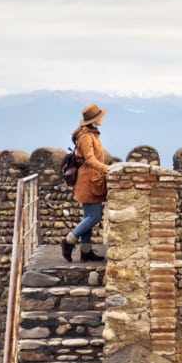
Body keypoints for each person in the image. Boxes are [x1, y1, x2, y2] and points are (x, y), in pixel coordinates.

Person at [61, 103, 109, 262]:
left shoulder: (91, 134)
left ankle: (86, 252)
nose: (101, 119)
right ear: (94, 120)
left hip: (91, 179)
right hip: (88, 181)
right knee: (95, 216)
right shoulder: (86, 137)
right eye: (99, 117)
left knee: (88, 216)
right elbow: (90, 160)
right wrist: (107, 168)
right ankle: (68, 241)